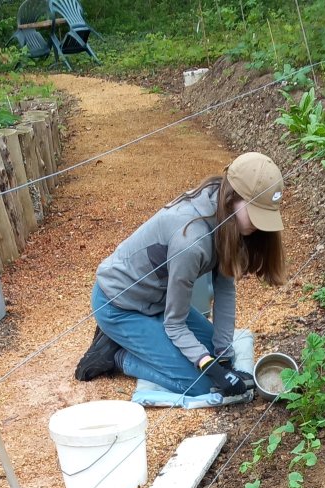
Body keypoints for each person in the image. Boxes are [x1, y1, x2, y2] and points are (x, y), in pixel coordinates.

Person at [74, 152, 287, 398]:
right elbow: (174, 323)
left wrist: (223, 357)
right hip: (119, 304)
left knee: (211, 351)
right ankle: (118, 355)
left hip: (158, 301)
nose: (260, 225)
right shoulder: (191, 241)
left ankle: (145, 342)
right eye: (256, 212)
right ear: (232, 198)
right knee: (202, 384)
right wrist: (211, 368)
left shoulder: (225, 218)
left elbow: (225, 288)